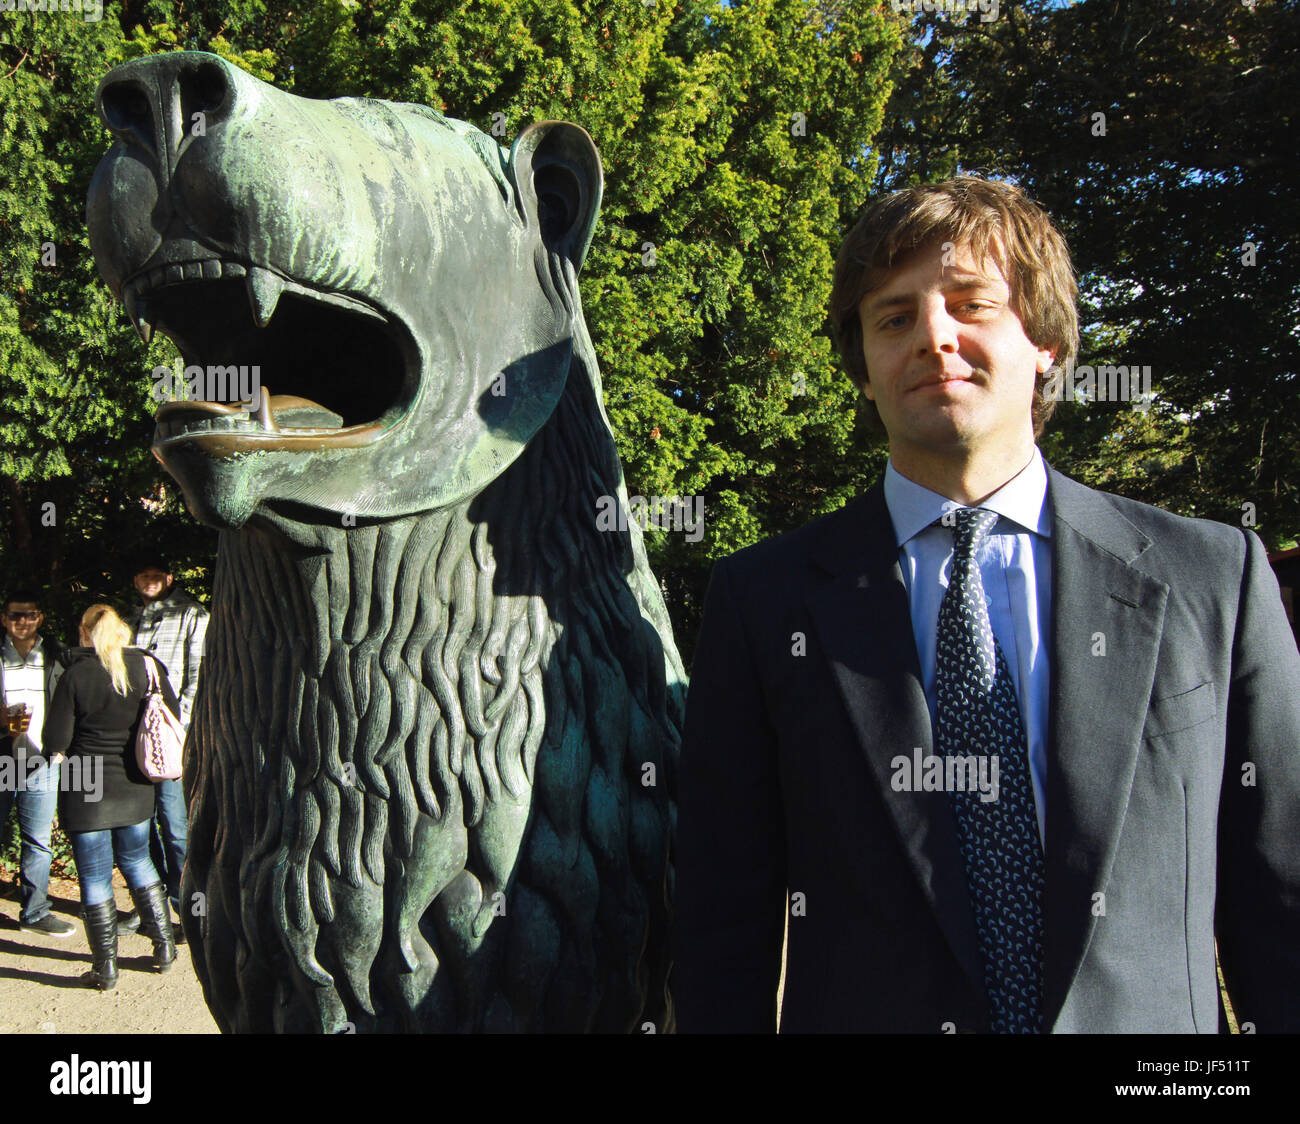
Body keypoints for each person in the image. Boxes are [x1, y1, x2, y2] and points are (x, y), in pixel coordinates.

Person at [672, 176, 1300, 1033]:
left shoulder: (1210, 576)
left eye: (971, 304)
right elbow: (723, 916)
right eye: (894, 318)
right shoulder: (763, 601)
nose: (934, 335)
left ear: (1043, 339)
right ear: (863, 367)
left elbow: (1281, 893)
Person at [43, 604, 179, 990]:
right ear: (123, 631)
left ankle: (105, 968)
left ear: (84, 633)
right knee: (139, 860)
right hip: (135, 780)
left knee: (94, 875)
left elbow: (56, 741)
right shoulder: (147, 667)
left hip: (85, 783)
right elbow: (170, 715)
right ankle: (164, 947)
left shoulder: (76, 675)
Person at [122, 556, 208, 939]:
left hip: (172, 737)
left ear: (170, 577)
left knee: (175, 827)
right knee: (139, 829)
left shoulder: (193, 615)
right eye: (143, 573)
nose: (149, 580)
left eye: (157, 574)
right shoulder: (128, 619)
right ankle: (149, 909)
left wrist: (180, 726)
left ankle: (191, 912)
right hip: (131, 735)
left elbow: (198, 675)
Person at [0, 590, 76, 936]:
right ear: (4, 619)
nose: (22, 622)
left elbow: (72, 701)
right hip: (2, 756)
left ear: (39, 618)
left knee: (38, 840)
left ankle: (34, 912)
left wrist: (61, 746)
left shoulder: (57, 653)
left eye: (29, 615)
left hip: (42, 759)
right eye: (15, 615)